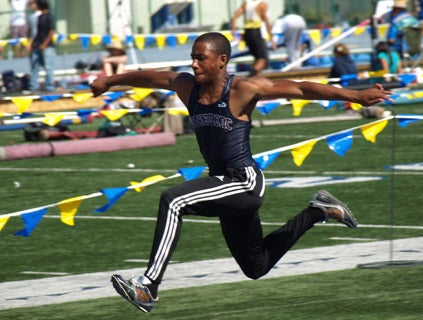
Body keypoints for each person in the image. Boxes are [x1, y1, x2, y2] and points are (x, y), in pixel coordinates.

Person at [90, 32, 392, 314]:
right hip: (222, 183)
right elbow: (149, 78)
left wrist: (354, 95)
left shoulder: (243, 89)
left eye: (200, 58)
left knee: (173, 200)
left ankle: (149, 286)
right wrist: (111, 81)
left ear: (221, 60)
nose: (194, 64)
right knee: (256, 266)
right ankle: (318, 211)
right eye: (192, 57)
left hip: (243, 182)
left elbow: (300, 88)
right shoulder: (186, 86)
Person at [231, 0, 276, 76]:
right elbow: (267, 22)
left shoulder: (246, 3)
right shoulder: (262, 4)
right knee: (263, 60)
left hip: (247, 34)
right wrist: (272, 39)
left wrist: (234, 35)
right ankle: (250, 77)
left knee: (258, 59)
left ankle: (256, 78)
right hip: (255, 32)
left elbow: (234, 17)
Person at [27, 0, 56, 92]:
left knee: (48, 67)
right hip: (37, 46)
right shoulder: (39, 17)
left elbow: (51, 32)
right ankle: (33, 86)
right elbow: (37, 33)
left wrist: (44, 44)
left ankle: (49, 86)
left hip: (47, 47)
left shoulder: (49, 17)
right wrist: (32, 44)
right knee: (35, 67)